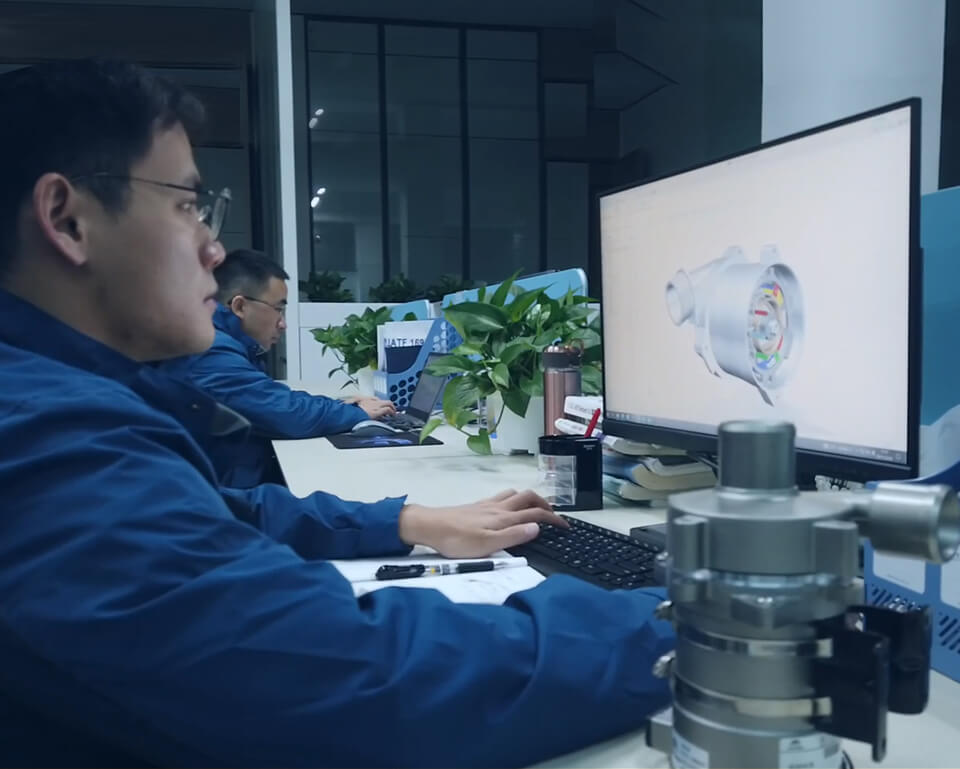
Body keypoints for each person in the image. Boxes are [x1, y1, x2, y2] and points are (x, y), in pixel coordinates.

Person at [0, 59, 674, 767]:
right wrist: (684, 623)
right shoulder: (45, 439)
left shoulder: (58, 404)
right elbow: (364, 678)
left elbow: (227, 514)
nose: (213, 247)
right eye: (187, 206)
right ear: (67, 219)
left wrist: (407, 521)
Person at [160, 248, 395, 487]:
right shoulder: (209, 349)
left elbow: (271, 398)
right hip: (229, 493)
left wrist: (341, 407)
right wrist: (357, 413)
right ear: (240, 307)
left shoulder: (223, 341)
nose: (282, 324)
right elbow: (286, 413)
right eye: (278, 309)